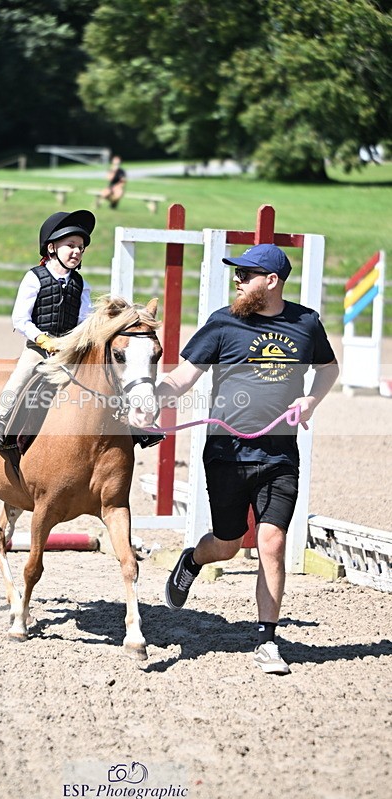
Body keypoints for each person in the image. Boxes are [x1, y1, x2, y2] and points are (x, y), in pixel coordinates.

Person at [156, 243, 339, 675]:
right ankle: (193, 559)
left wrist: (311, 401)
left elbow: (329, 368)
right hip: (226, 452)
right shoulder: (223, 323)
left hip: (280, 455)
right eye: (236, 273)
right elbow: (182, 377)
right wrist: (150, 398)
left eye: (246, 274)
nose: (237, 280)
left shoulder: (306, 323)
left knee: (271, 543)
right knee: (227, 544)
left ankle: (267, 641)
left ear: (271, 281)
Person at [0, 209, 95, 448]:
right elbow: (20, 318)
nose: (77, 251)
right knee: (21, 376)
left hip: (70, 349)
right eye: (71, 245)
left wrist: (74, 342)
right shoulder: (34, 277)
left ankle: (132, 427)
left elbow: (86, 319)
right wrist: (43, 340)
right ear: (52, 248)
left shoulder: (82, 284)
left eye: (81, 247)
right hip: (39, 347)